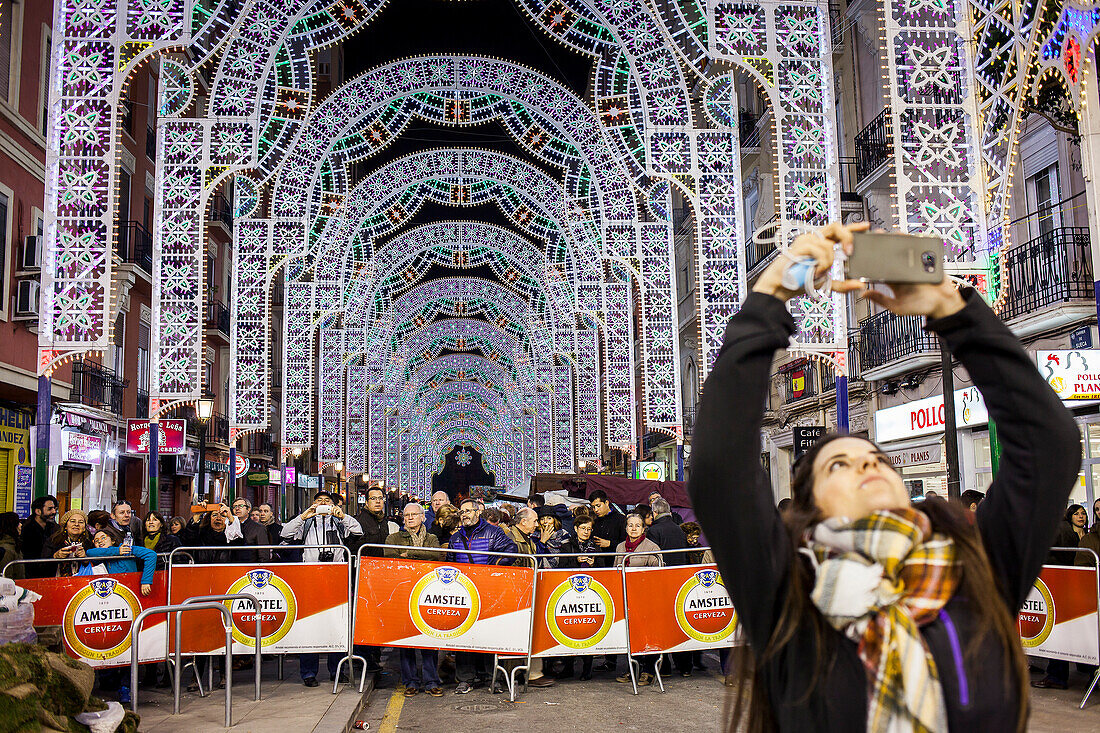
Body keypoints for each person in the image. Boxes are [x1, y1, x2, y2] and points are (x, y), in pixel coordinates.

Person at [688, 221, 1081, 731]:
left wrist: (952, 311)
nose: (867, 464)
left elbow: (1049, 445)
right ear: (810, 506)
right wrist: (769, 298)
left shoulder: (976, 575)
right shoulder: (786, 597)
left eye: (875, 458)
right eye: (840, 465)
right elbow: (720, 467)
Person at [280, 492, 362, 687]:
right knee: (310, 625)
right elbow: (285, 534)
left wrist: (343, 516)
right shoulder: (306, 522)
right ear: (312, 503)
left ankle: (337, 671)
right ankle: (308, 673)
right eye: (319, 501)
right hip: (311, 577)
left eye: (327, 502)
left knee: (337, 624)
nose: (323, 504)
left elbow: (358, 532)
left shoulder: (340, 522)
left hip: (336, 577)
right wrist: (304, 515)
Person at [449, 499, 517, 693]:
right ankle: (465, 678)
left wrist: (494, 568)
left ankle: (491, 677)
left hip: (488, 591)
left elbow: (512, 551)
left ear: (478, 512)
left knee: (488, 635)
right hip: (464, 593)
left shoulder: (493, 532)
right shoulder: (455, 538)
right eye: (461, 512)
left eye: (468, 511)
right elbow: (451, 562)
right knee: (463, 635)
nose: (464, 515)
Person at [87, 526, 156, 703]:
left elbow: (151, 555)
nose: (100, 541)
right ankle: (109, 680)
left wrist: (146, 580)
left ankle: (126, 686)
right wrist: (114, 551)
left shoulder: (128, 549)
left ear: (113, 538)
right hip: (108, 608)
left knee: (128, 644)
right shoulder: (103, 554)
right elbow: (88, 552)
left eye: (104, 538)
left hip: (129, 602)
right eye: (97, 539)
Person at [385, 504, 444, 697]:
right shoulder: (393, 538)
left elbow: (435, 555)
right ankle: (410, 681)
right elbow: (389, 555)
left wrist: (408, 554)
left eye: (414, 515)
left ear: (422, 517)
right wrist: (419, 555)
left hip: (428, 592)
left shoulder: (432, 538)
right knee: (406, 641)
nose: (410, 518)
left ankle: (431, 680)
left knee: (429, 638)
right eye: (406, 515)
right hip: (403, 591)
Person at [44, 509, 93, 576]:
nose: (76, 524)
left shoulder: (89, 542)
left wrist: (85, 559)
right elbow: (41, 565)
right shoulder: (54, 541)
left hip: (82, 582)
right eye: (72, 521)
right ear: (66, 526)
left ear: (84, 528)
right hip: (56, 582)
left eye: (81, 522)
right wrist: (56, 556)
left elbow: (95, 565)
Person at [21, 495, 58, 576]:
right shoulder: (27, 530)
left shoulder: (53, 528)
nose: (54, 512)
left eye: (54, 508)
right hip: (32, 574)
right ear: (38, 511)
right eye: (49, 509)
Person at [590, 490, 625, 568]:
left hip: (616, 564)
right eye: (593, 507)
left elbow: (626, 543)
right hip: (598, 565)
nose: (596, 509)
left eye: (598, 506)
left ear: (606, 503)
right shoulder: (595, 522)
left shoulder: (620, 519)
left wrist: (610, 543)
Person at [0, 511, 23, 579]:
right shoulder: (6, 550)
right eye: (18, 523)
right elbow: (7, 577)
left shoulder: (14, 545)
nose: (21, 525)